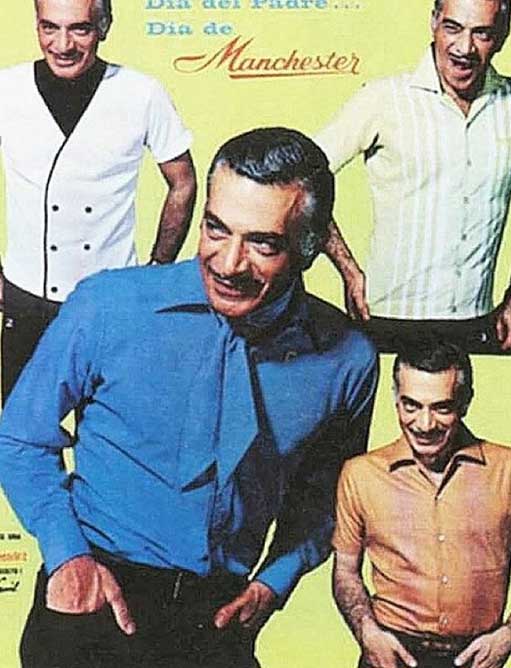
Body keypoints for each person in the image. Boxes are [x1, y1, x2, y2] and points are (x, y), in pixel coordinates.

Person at [0, 128, 378, 668]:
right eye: (216, 229)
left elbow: (329, 497)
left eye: (263, 244)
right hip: (92, 596)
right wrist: (67, 557)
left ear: (310, 247)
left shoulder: (347, 358)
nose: (228, 263)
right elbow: (19, 436)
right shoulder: (108, 305)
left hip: (217, 619)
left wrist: (275, 581)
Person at [0, 0, 196, 399]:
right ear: (36, 24)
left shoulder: (142, 93)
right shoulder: (6, 89)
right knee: (20, 427)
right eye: (49, 28)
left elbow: (183, 182)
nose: (62, 45)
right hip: (23, 298)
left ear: (104, 26)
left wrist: (158, 271)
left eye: (80, 29)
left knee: (107, 427)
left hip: (111, 300)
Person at [316, 0, 511, 354]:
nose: (464, 48)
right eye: (453, 27)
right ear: (434, 22)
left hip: (476, 325)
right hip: (385, 321)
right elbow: (300, 178)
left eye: (481, 33)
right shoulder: (383, 99)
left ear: (502, 35)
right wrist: (347, 269)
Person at [333, 341, 511, 668]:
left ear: (465, 402)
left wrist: (509, 636)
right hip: (389, 651)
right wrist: (367, 632)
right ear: (396, 399)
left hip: (478, 656)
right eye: (411, 406)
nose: (424, 424)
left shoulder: (507, 470)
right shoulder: (360, 474)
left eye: (442, 408)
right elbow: (345, 571)